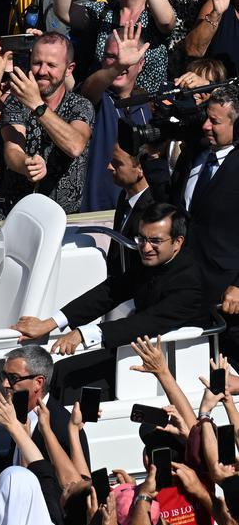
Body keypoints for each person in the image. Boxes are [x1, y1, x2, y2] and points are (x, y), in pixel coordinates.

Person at [14, 204, 206, 401]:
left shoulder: (190, 281)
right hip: (133, 348)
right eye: (141, 239)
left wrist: (83, 333)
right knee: (60, 371)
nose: (146, 248)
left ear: (177, 242)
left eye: (155, 241)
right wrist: (50, 323)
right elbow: (109, 292)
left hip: (166, 361)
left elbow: (148, 322)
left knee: (70, 378)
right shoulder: (151, 262)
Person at [169, 85, 239, 365]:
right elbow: (177, 206)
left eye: (216, 122)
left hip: (227, 293)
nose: (206, 126)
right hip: (188, 282)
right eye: (205, 118)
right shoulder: (195, 154)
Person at [56, 0, 175, 94]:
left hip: (146, 107)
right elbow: (64, 12)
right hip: (104, 103)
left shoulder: (155, 17)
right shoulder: (102, 13)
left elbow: (166, 21)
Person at [0, 32, 95, 214]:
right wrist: (27, 164)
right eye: (37, 63)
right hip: (18, 213)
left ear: (69, 69)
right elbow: (12, 151)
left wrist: (37, 105)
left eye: (51, 65)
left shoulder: (80, 105)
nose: (42, 71)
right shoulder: (15, 101)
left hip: (64, 217)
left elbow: (75, 146)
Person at [79, 23, 154, 212]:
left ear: (141, 63)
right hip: (94, 213)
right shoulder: (96, 97)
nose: (119, 61)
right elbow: (88, 90)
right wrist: (120, 65)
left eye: (126, 57)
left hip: (137, 213)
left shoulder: (147, 105)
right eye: (111, 57)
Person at [106, 142, 154, 274]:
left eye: (117, 163)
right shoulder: (125, 196)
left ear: (140, 169)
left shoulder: (152, 207)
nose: (109, 167)